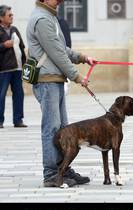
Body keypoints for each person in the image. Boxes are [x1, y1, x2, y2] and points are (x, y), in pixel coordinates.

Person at [27, 0, 96, 187]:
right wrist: (76, 76)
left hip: (54, 79)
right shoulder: (41, 18)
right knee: (51, 129)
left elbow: (61, 48)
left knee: (63, 129)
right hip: (46, 80)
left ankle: (63, 169)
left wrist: (82, 58)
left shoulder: (49, 16)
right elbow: (56, 52)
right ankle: (51, 174)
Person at [0, 5, 27, 129]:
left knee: (19, 94)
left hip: (17, 68)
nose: (12, 17)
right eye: (9, 15)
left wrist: (25, 62)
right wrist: (4, 45)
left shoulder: (15, 29)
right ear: (1, 17)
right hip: (3, 70)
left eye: (12, 15)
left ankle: (18, 120)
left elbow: (21, 46)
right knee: (1, 95)